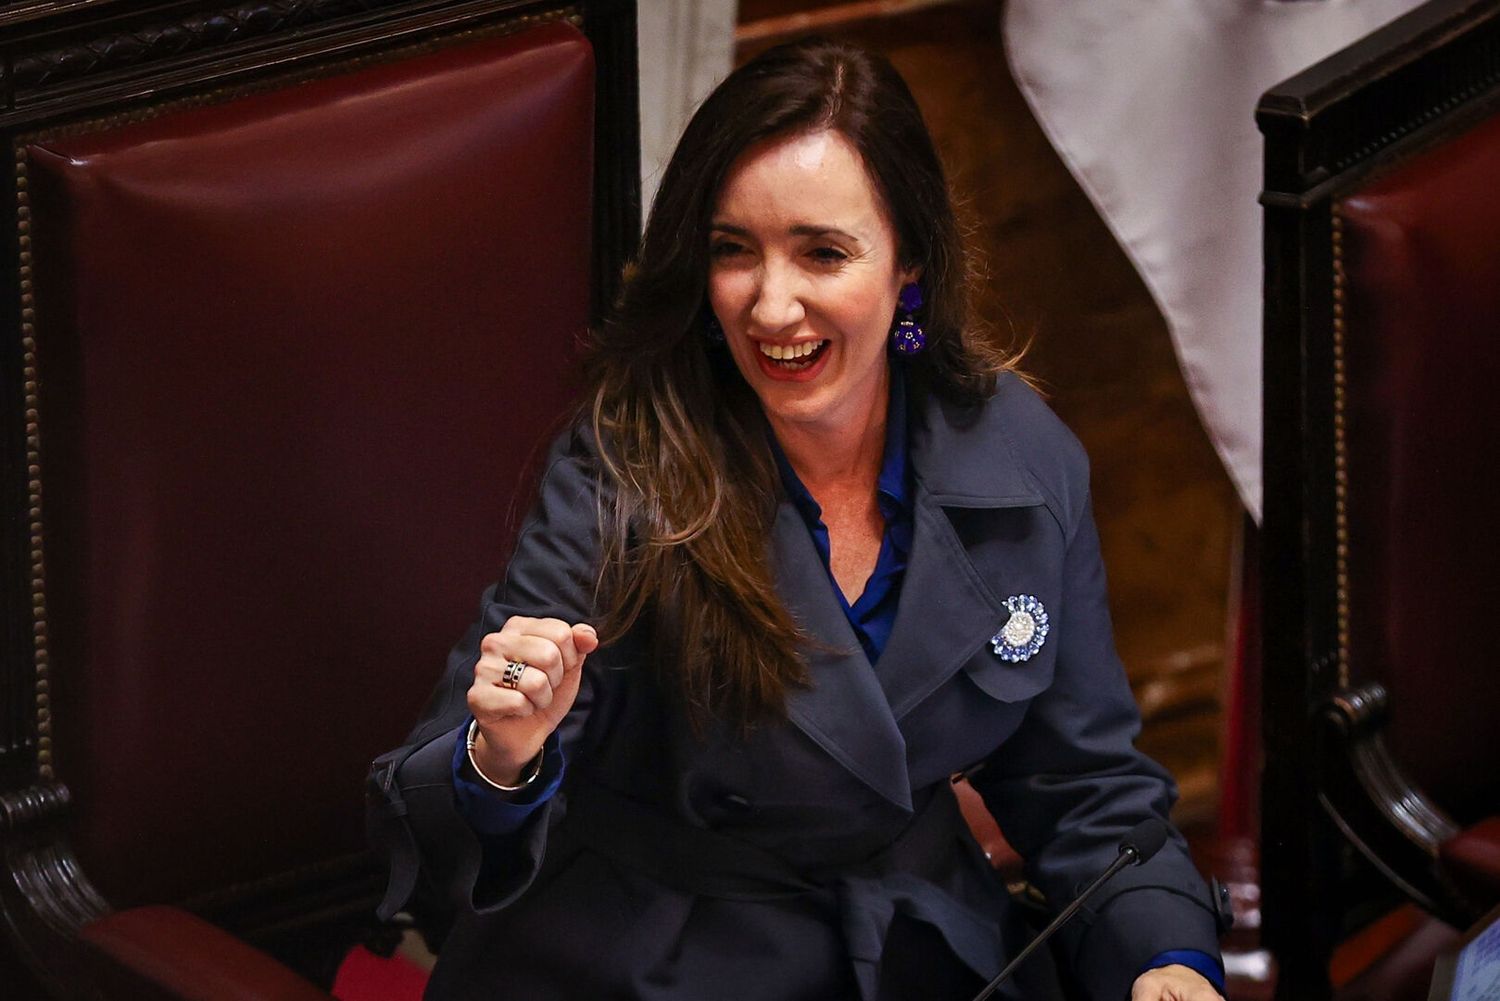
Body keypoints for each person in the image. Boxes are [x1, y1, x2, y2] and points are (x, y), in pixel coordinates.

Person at [367, 36, 1228, 1001]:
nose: (772, 306)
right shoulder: (623, 462)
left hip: (916, 951)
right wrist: (508, 751)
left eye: (822, 251)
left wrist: (1167, 957)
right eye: (733, 251)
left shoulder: (1022, 456)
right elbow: (443, 789)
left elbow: (1086, 785)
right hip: (651, 960)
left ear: (911, 265)